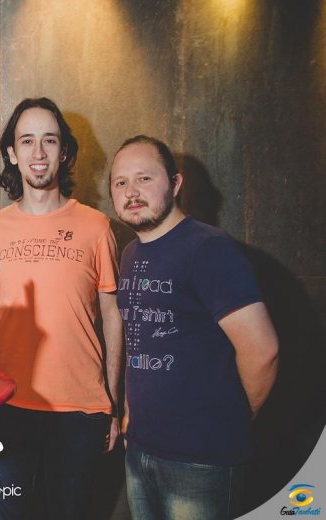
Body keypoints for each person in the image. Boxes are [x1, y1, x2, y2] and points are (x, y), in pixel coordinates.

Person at [109, 135, 278, 519]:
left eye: (144, 178)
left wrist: (233, 419)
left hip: (200, 461)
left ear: (175, 184)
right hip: (141, 451)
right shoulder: (131, 254)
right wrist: (132, 412)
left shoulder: (209, 248)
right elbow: (141, 342)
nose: (131, 192)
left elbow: (263, 351)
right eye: (120, 182)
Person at [0, 97, 123, 519]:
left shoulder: (96, 227)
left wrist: (114, 404)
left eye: (49, 140)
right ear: (12, 153)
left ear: (64, 151)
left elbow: (113, 316)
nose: (38, 152)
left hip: (80, 409)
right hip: (6, 402)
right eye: (27, 141)